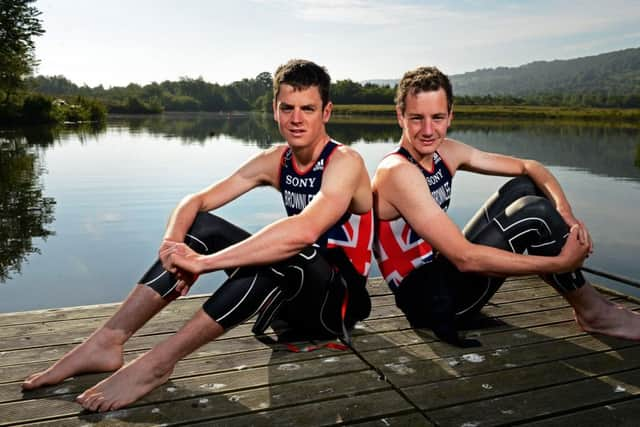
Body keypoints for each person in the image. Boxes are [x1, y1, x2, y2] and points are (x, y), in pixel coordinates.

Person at [22, 59, 374, 411]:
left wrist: (206, 263)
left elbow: (303, 231)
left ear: (326, 112)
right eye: (288, 108)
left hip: (338, 304)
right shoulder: (275, 160)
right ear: (275, 109)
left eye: (308, 109)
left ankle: (159, 362)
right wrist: (173, 246)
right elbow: (197, 200)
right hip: (291, 294)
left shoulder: (345, 161)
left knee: (284, 249)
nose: (296, 118)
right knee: (202, 225)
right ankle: (107, 341)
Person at [372, 66, 640, 347]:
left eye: (437, 117)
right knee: (533, 214)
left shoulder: (447, 152)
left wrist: (565, 213)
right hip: (429, 303)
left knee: (525, 187)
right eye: (416, 118)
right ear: (400, 116)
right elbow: (466, 258)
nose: (428, 130)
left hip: (442, 274)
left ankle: (591, 307)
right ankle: (595, 311)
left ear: (450, 116)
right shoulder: (397, 171)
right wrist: (560, 262)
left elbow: (529, 166)